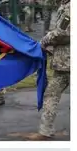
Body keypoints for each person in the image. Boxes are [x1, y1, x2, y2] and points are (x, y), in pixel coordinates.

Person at [33, 0, 70, 140]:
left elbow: (62, 33)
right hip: (63, 63)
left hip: (67, 62)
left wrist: (46, 40)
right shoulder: (65, 6)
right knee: (51, 94)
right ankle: (45, 130)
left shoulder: (70, 7)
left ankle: (45, 130)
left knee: (52, 95)